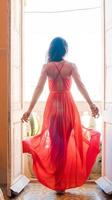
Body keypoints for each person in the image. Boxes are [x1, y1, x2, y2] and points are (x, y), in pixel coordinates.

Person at [21, 37, 100, 194]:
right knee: (64, 145)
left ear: (51, 49)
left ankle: (59, 183)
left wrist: (29, 110)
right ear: (65, 49)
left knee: (57, 146)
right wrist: (91, 104)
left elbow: (38, 88)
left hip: (53, 108)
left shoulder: (47, 67)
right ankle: (62, 182)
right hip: (68, 106)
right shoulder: (71, 66)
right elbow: (81, 85)